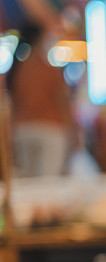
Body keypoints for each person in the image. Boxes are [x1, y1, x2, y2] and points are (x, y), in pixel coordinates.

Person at [9, 23, 75, 177]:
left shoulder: (18, 70)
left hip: (23, 130)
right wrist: (72, 130)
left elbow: (13, 104)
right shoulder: (48, 69)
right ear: (40, 39)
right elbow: (62, 102)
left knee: (27, 182)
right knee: (47, 183)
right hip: (50, 129)